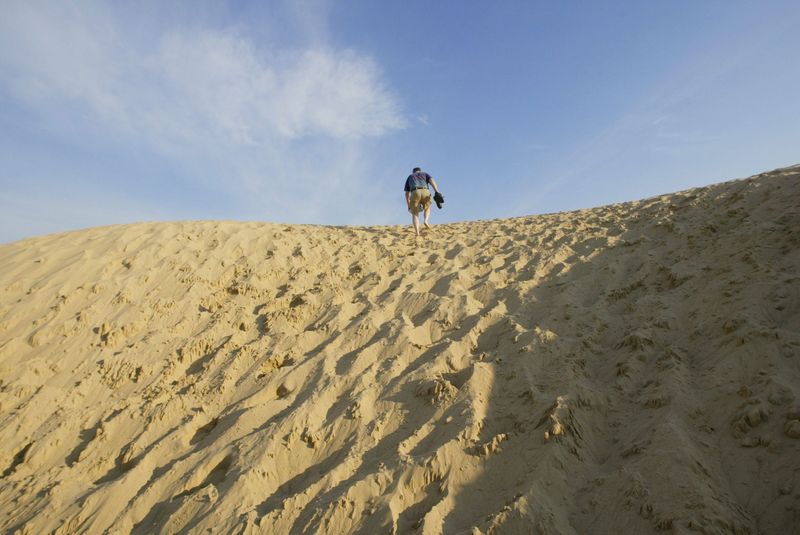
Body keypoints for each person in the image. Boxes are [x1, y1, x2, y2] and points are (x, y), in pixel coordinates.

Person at [404, 167, 441, 236]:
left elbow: (406, 193)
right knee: (427, 208)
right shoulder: (425, 174)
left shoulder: (410, 176)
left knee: (415, 214)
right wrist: (437, 191)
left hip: (415, 192)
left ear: (413, 172)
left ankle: (417, 233)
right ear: (420, 171)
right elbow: (432, 181)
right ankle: (426, 221)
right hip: (425, 191)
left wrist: (408, 205)